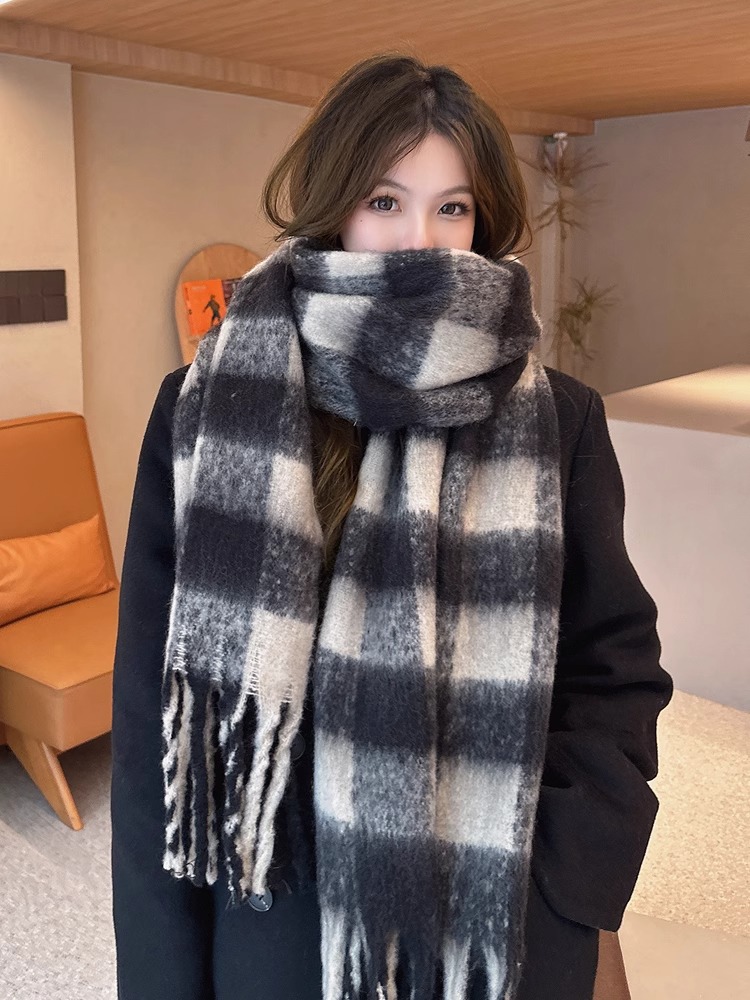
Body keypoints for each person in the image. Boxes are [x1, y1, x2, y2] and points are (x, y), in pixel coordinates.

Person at [110, 52, 673, 1000]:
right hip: (278, 918)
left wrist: (569, 878)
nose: (420, 240)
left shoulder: (557, 417)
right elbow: (153, 715)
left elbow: (612, 669)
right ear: (334, 206)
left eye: (452, 207)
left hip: (494, 916)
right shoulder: (210, 407)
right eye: (384, 200)